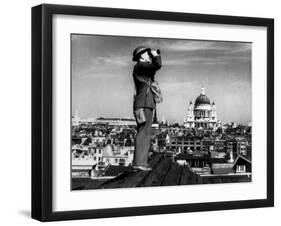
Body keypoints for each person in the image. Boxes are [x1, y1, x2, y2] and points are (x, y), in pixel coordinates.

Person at [131, 46, 162, 171]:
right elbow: (157, 66)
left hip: (146, 103)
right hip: (143, 104)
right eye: (147, 54)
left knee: (145, 132)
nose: (149, 55)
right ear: (141, 56)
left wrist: (154, 57)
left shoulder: (143, 68)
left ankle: (141, 163)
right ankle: (139, 162)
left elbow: (153, 69)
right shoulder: (140, 66)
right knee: (143, 132)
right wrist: (156, 56)